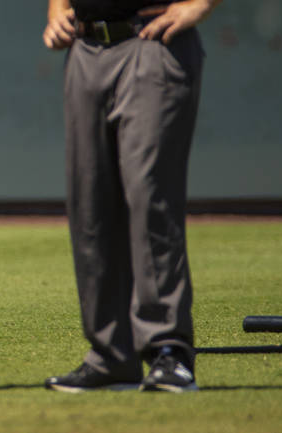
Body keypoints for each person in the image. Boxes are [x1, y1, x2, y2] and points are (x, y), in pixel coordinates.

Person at [41, 0, 221, 393]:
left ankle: (167, 349)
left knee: (149, 197)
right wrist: (56, 11)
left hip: (152, 38)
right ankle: (111, 355)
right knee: (90, 206)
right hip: (86, 48)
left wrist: (201, 6)